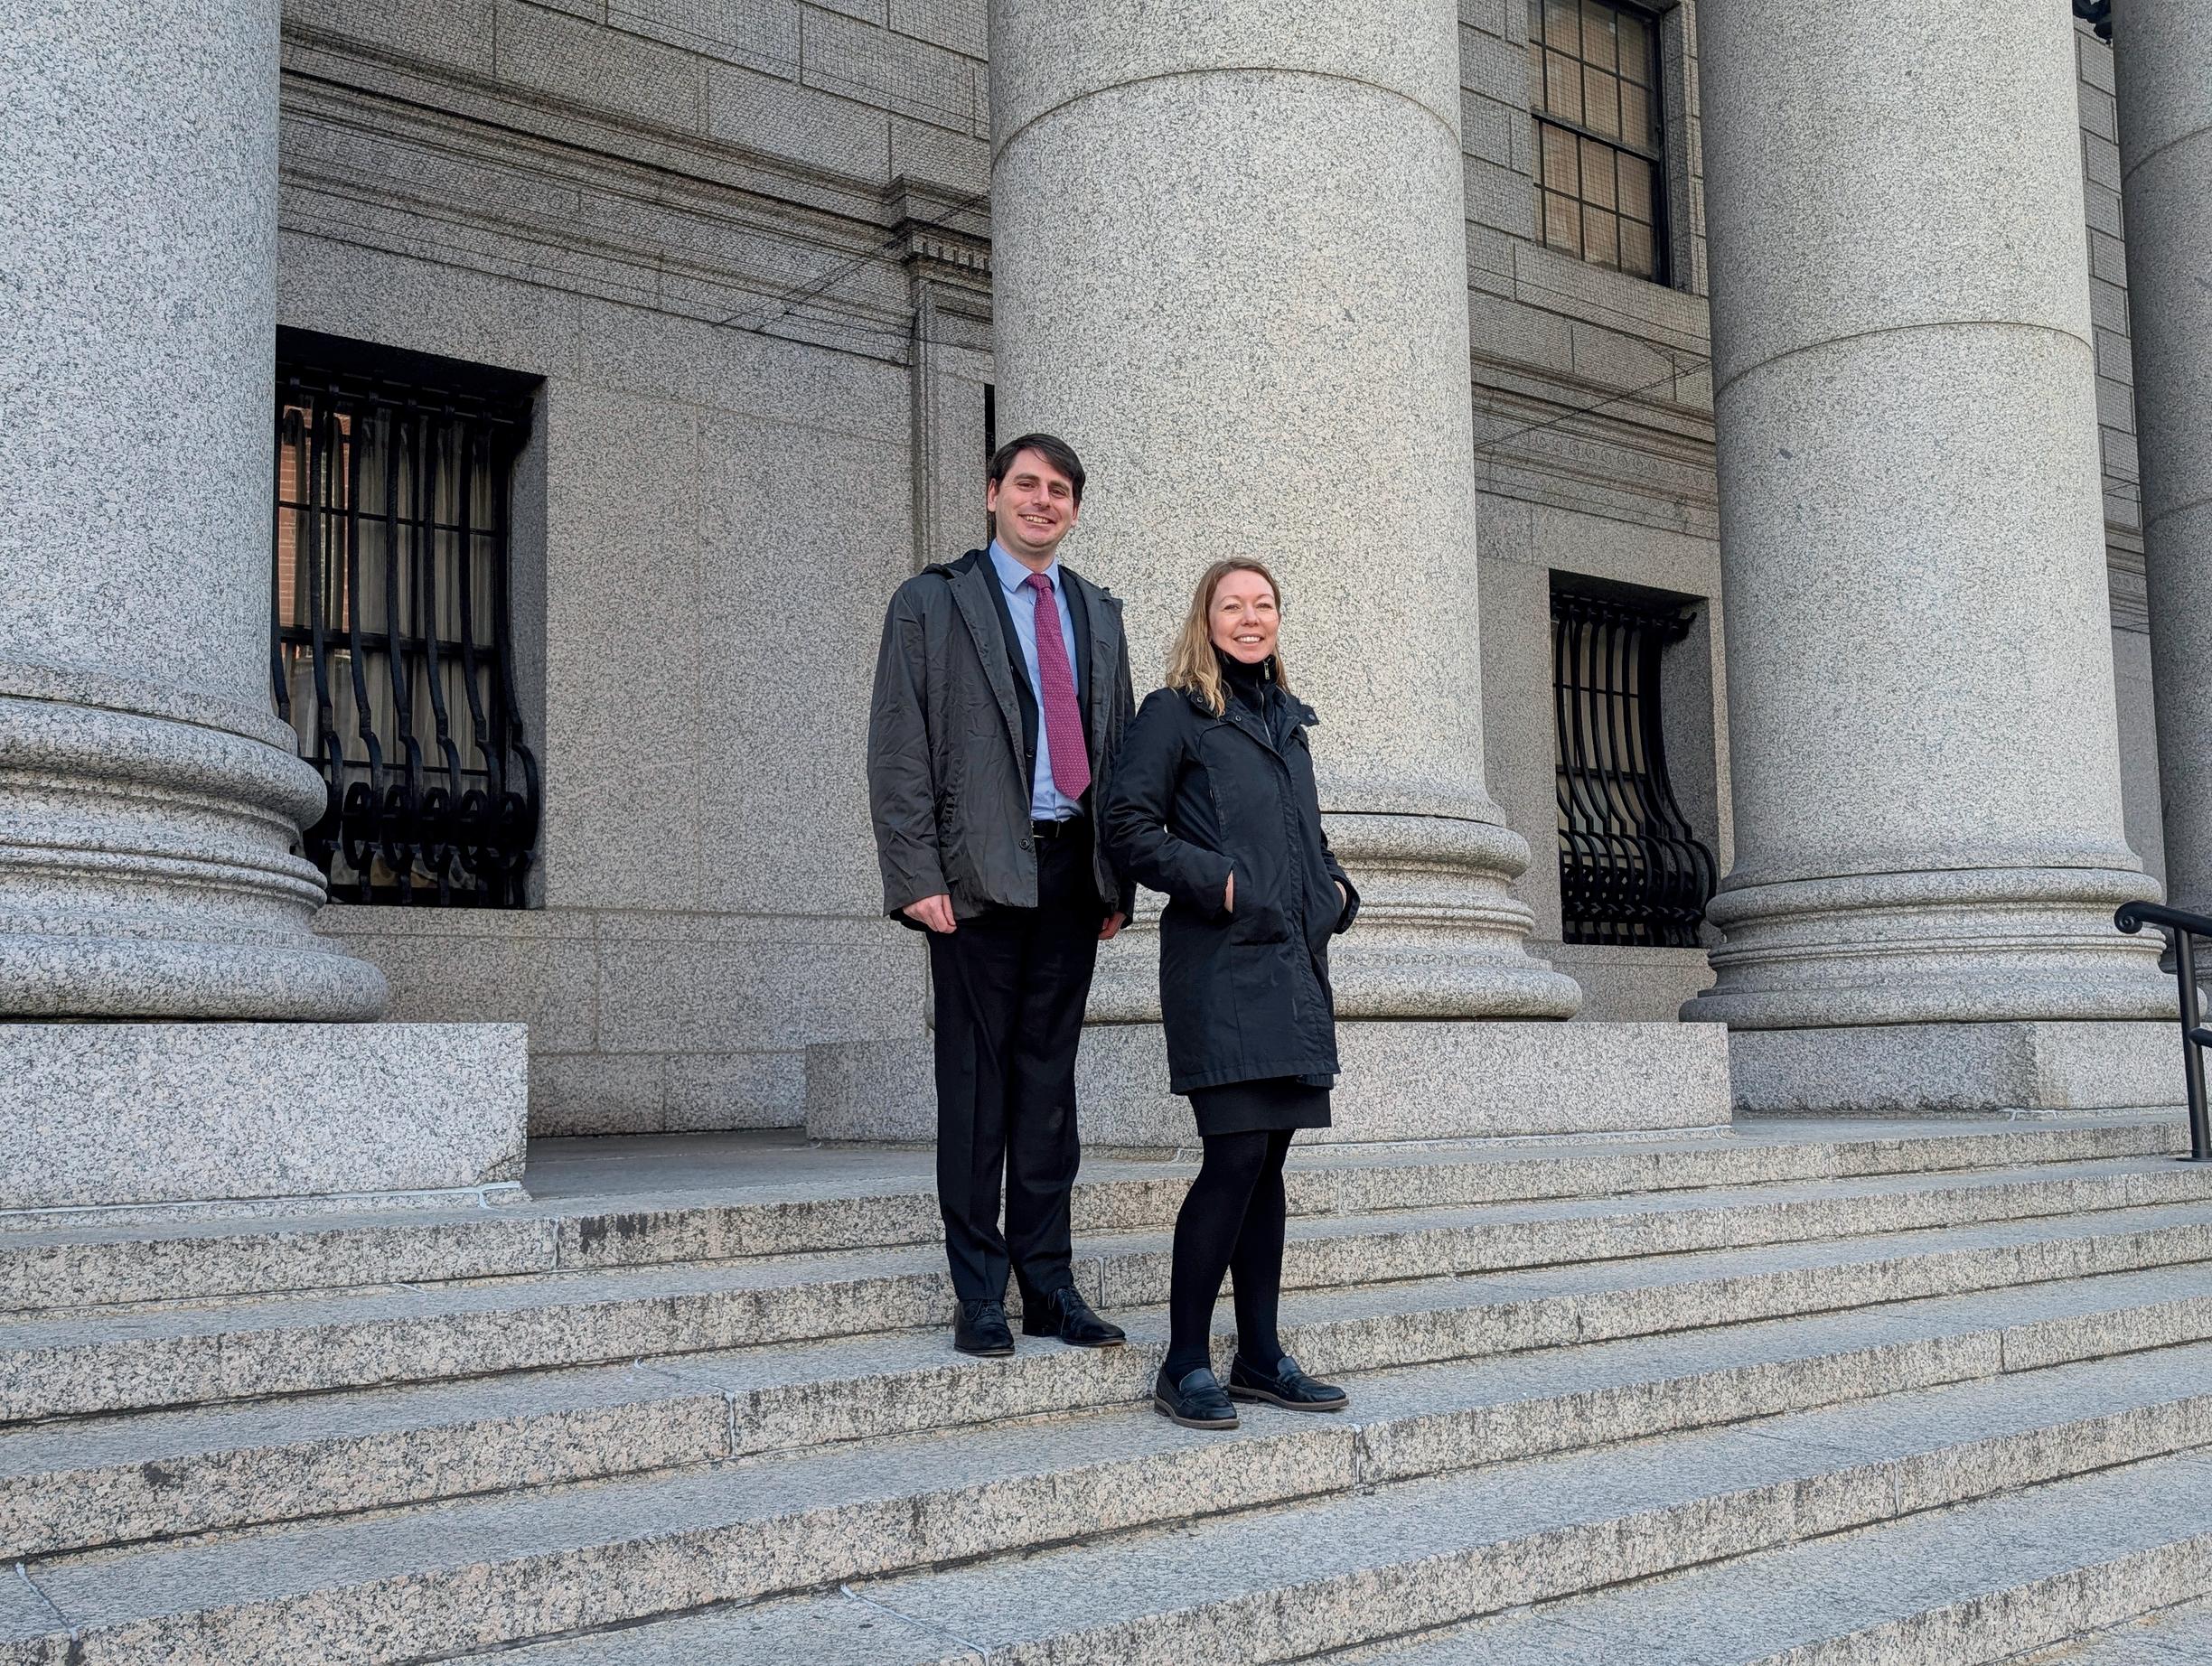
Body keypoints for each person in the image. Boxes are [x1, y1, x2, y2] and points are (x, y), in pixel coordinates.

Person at [867, 433, 1136, 1357]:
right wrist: (916, 876)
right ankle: (980, 1294)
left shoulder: (1098, 612)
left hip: (1071, 872)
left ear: (1074, 509)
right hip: (974, 877)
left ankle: (1050, 1284)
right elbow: (898, 746)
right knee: (977, 1089)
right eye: (1026, 484)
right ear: (992, 494)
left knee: (1049, 1089)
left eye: (1059, 489)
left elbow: (1118, 751)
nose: (1042, 500)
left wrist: (1116, 874)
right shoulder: (932, 602)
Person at [1103, 557, 1359, 1429]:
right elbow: (1127, 824)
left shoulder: (1288, 722)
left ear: (1278, 618)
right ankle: (1184, 1362)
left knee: (1269, 1162)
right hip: (1221, 968)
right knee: (1234, 1158)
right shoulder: (1174, 714)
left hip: (1292, 969)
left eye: (1264, 605)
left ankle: (1259, 1354)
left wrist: (1336, 890)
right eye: (1232, 606)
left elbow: (1303, 834)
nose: (1250, 619)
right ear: (1205, 619)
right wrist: (1217, 882)